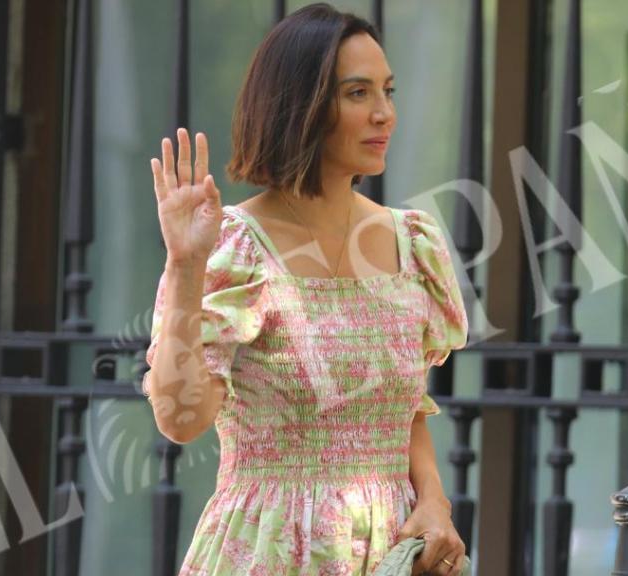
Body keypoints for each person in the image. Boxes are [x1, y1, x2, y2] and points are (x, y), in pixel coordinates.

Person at [142, 4, 469, 574]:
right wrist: (185, 267)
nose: (384, 114)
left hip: (390, 551)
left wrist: (435, 503)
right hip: (270, 547)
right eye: (358, 94)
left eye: (387, 91)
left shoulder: (412, 241)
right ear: (302, 104)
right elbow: (181, 420)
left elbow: (405, 407)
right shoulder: (233, 247)